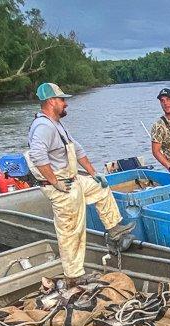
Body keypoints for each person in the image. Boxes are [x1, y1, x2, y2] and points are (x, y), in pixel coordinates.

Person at [27, 82, 123, 279]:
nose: (66, 104)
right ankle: (74, 276)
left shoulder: (57, 124)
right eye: (62, 100)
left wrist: (93, 172)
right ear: (51, 101)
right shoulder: (43, 126)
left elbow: (77, 149)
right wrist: (55, 182)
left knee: (100, 188)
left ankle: (115, 232)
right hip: (62, 187)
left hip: (73, 179)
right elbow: (37, 156)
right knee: (72, 231)